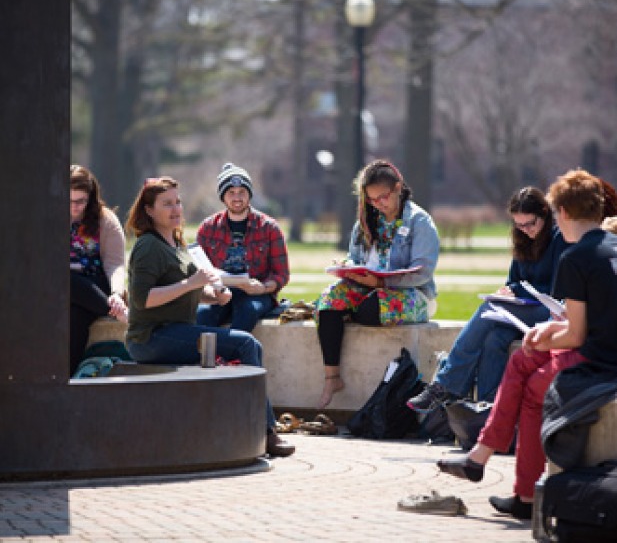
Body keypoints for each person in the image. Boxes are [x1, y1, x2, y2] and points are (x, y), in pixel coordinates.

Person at [435, 169, 617, 519]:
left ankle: (524, 495)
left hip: (600, 360)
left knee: (536, 386)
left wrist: (542, 335)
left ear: (562, 213)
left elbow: (575, 335)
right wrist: (549, 334)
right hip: (603, 347)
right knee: (521, 361)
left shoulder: (576, 257)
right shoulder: (615, 245)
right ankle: (480, 456)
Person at [124, 176, 294, 457]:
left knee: (231, 345)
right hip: (151, 338)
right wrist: (192, 284)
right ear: (149, 211)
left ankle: (234, 427)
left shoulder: (175, 241)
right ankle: (265, 432)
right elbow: (142, 299)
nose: (176, 209)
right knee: (245, 344)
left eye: (178, 202)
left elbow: (182, 292)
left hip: (175, 331)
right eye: (167, 204)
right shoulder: (148, 247)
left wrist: (211, 296)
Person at [408, 187, 569, 411]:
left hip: (552, 312)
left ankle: (445, 385)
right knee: (495, 338)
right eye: (519, 225)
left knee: (488, 308)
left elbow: (557, 288)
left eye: (531, 224)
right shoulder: (523, 239)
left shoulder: (559, 238)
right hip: (525, 310)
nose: (526, 230)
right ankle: (486, 409)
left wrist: (517, 293)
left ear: (544, 214)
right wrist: (508, 292)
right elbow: (515, 280)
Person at [315, 159, 440, 409]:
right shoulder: (366, 219)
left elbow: (422, 272)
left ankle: (355, 311)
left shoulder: (419, 221)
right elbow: (356, 256)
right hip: (367, 287)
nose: (377, 204)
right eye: (371, 199)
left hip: (412, 293)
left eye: (382, 197)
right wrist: (348, 267)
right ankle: (332, 376)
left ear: (397, 188)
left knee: (371, 309)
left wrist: (383, 282)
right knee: (327, 303)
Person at [196, 163, 289, 332]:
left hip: (257, 293)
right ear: (223, 197)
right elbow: (199, 271)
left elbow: (281, 274)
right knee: (202, 315)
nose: (237, 198)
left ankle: (231, 357)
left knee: (247, 310)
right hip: (220, 292)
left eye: (242, 192)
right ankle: (206, 357)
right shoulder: (207, 228)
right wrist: (213, 291)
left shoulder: (270, 228)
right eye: (231, 193)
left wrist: (263, 287)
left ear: (249, 195)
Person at [70, 164, 128, 375]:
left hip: (97, 284)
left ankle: (113, 308)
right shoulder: (48, 217)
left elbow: (116, 264)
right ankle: (67, 377)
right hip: (65, 291)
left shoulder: (105, 220)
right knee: (74, 316)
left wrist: (116, 294)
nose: (75, 207)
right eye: (69, 201)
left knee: (69, 283)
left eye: (80, 201)